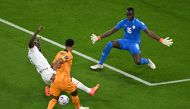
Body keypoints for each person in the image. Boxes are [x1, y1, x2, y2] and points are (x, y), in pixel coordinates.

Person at [90, 7, 173, 70]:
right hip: (125, 42)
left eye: (130, 15)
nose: (128, 16)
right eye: (127, 15)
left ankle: (147, 61)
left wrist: (161, 40)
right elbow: (111, 31)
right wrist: (99, 37)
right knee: (109, 44)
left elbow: (149, 32)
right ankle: (100, 64)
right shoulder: (123, 22)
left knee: (137, 62)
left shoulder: (138, 23)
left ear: (133, 14)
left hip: (134, 44)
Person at [28, 26, 99, 97]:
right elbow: (30, 42)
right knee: (69, 80)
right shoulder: (32, 49)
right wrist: (37, 32)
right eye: (37, 42)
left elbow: (50, 65)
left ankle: (50, 90)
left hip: (45, 75)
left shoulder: (34, 53)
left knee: (60, 83)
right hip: (48, 73)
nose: (38, 44)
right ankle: (89, 91)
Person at [48, 39, 89, 109]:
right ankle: (78, 108)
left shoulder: (59, 53)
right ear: (73, 45)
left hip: (55, 81)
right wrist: (54, 74)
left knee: (54, 98)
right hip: (64, 80)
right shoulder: (69, 55)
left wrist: (55, 73)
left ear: (65, 44)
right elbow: (58, 61)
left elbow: (52, 65)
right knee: (74, 93)